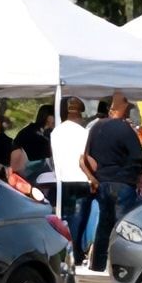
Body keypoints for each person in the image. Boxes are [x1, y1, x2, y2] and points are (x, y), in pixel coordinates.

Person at [83, 92, 142, 274]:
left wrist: (95, 177)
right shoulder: (126, 130)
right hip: (123, 182)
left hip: (102, 181)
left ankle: (98, 264)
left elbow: (87, 156)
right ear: (122, 109)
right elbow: (137, 157)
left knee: (104, 224)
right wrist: (135, 175)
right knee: (123, 225)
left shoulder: (96, 128)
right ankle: (122, 265)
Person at [50, 96, 92, 262]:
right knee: (79, 219)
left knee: (65, 217)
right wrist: (92, 178)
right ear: (79, 114)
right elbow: (84, 159)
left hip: (61, 181)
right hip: (80, 179)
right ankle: (76, 251)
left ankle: (67, 251)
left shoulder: (56, 132)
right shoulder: (83, 133)